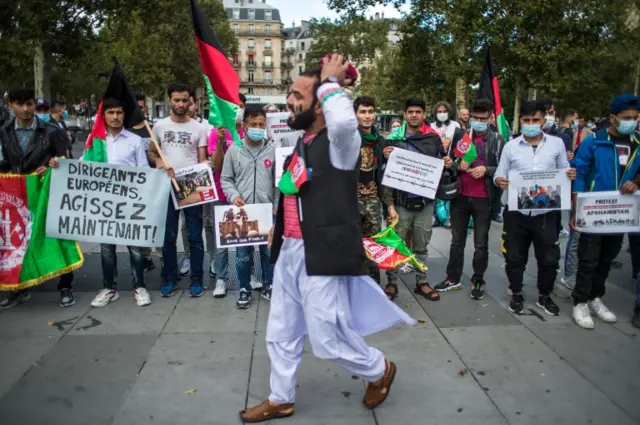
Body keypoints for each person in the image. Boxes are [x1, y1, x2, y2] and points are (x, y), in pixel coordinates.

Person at [239, 54, 415, 423]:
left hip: (321, 252)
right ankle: (280, 398)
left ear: (320, 104)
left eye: (297, 96)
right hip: (289, 248)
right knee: (280, 330)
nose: (289, 102)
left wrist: (331, 82)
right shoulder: (304, 140)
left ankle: (378, 369)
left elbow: (344, 123)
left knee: (327, 338)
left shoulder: (341, 144)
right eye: (289, 95)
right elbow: (296, 192)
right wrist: (280, 225)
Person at [51, 98, 152, 307]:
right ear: (103, 116)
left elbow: (143, 171)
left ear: (124, 115)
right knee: (107, 248)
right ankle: (109, 288)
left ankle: (139, 286)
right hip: (104, 205)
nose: (115, 117)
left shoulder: (134, 140)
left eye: (119, 113)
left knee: (135, 247)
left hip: (128, 202)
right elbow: (82, 167)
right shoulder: (94, 140)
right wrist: (59, 165)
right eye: (111, 113)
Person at [494, 100, 576, 316]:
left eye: (535, 120)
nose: (531, 124)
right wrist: (500, 181)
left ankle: (544, 295)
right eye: (527, 120)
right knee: (514, 255)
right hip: (516, 211)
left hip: (546, 212)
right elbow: (499, 174)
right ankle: (517, 292)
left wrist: (570, 174)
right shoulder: (511, 146)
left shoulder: (557, 144)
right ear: (521, 121)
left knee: (549, 257)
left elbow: (564, 171)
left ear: (543, 121)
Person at [0, 88, 75, 309]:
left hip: (47, 191)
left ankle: (66, 286)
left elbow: (66, 160)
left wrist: (54, 164)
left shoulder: (52, 131)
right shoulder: (3, 131)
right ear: (11, 105)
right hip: (16, 196)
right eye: (20, 104)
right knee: (17, 241)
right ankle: (19, 288)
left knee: (58, 236)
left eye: (29, 104)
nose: (25, 109)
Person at [570, 94, 640, 329]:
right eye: (626, 117)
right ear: (613, 117)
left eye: (635, 117)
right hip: (593, 212)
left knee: (608, 258)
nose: (631, 121)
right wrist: (576, 207)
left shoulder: (638, 143)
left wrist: (637, 182)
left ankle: (594, 297)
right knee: (588, 258)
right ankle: (580, 301)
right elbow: (579, 172)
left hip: (620, 214)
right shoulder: (595, 141)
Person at [382, 98, 453, 301]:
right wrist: (389, 205)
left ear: (423, 114)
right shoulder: (393, 139)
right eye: (410, 111)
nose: (414, 115)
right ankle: (392, 283)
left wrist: (447, 162)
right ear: (405, 114)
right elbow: (385, 176)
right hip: (401, 203)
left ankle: (422, 282)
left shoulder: (432, 138)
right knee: (396, 244)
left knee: (422, 246)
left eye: (418, 111)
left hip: (425, 202)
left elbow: (442, 166)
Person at [435, 98, 504, 299]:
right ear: (470, 118)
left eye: (483, 118)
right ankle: (453, 277)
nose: (479, 121)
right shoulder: (461, 136)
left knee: (481, 243)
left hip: (484, 198)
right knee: (457, 241)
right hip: (460, 196)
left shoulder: (498, 140)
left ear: (491, 117)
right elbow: (449, 162)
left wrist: (487, 170)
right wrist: (457, 165)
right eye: (476, 118)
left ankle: (478, 280)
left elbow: (506, 167)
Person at [149, 82, 208, 298]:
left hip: (191, 185)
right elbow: (152, 153)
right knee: (168, 235)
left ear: (190, 101)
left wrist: (204, 168)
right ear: (170, 101)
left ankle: (197, 278)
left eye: (185, 100)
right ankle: (170, 277)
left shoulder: (199, 128)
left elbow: (202, 160)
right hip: (166, 185)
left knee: (194, 235)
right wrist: (158, 163)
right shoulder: (159, 126)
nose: (181, 104)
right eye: (177, 100)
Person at [220, 106, 276, 308]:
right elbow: (226, 179)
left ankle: (269, 286)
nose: (258, 128)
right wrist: (234, 196)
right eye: (253, 125)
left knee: (268, 253)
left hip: (268, 211)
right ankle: (244, 288)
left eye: (261, 125)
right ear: (244, 126)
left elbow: (279, 182)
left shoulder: (273, 149)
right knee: (243, 255)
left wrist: (276, 206)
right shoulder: (234, 150)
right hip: (243, 214)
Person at [353, 96, 394, 287]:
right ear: (355, 114)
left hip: (373, 201)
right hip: (350, 201)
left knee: (373, 248)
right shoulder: (347, 140)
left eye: (370, 111)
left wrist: (390, 206)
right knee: (351, 247)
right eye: (362, 111)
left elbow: (385, 177)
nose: (367, 116)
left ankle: (374, 289)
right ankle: (353, 289)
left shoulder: (381, 142)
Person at [179, 91, 215, 278]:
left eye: (190, 103)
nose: (187, 106)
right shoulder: (175, 126)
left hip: (203, 179)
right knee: (186, 224)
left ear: (196, 104)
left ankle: (213, 257)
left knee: (208, 222)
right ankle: (187, 256)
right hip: (183, 181)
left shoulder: (207, 127)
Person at [128, 93, 157, 273]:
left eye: (142, 106)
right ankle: (142, 257)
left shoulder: (153, 129)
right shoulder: (125, 132)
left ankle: (151, 256)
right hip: (131, 188)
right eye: (136, 106)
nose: (140, 110)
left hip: (153, 185)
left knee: (152, 223)